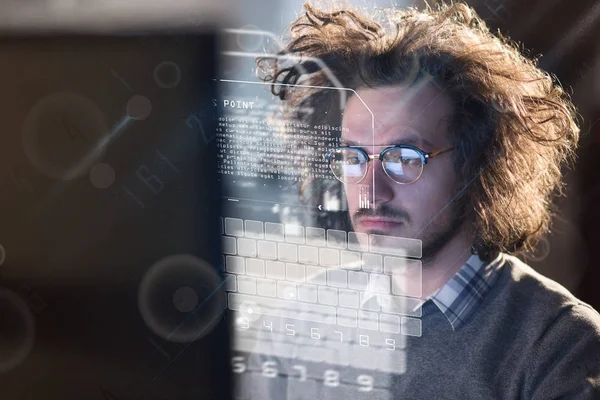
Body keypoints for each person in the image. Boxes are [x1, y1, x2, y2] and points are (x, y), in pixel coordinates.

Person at [253, 1, 600, 398]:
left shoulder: (559, 348)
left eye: (403, 158)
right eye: (353, 158)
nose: (370, 191)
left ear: (478, 165)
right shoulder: (299, 318)